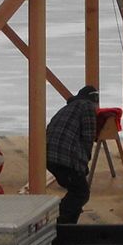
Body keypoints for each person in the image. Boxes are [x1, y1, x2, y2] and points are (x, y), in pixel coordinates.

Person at [43, 84, 99, 224]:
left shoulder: (68, 108)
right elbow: (88, 137)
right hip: (64, 157)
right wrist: (83, 164)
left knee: (76, 191)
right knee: (81, 193)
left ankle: (69, 224)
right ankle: (58, 223)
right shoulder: (87, 107)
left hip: (50, 156)